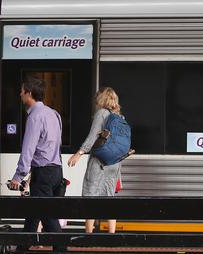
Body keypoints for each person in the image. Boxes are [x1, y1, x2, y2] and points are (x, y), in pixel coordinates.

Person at [9, 77, 63, 236]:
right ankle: (23, 247)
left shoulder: (35, 117)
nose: (20, 94)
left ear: (29, 93)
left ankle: (62, 249)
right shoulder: (54, 114)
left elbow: (28, 149)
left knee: (46, 215)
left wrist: (18, 176)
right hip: (56, 171)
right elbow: (56, 145)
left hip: (43, 173)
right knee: (34, 212)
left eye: (21, 91)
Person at [67, 87, 123, 233]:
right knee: (109, 197)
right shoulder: (119, 117)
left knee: (90, 196)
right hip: (114, 163)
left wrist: (79, 153)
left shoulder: (102, 113)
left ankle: (88, 234)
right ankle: (112, 235)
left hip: (99, 161)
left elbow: (93, 137)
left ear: (101, 99)